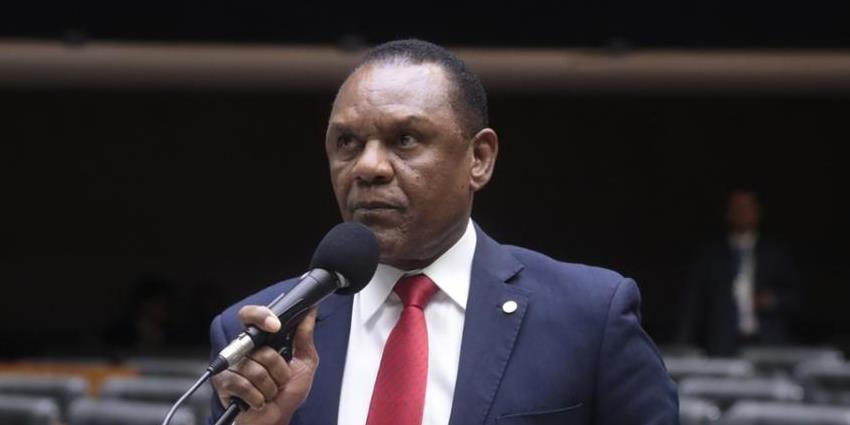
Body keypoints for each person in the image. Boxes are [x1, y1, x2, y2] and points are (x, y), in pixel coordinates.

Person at [208, 39, 678, 425]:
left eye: (405, 140)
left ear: (479, 159)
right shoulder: (263, 336)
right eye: (347, 142)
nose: (368, 167)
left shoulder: (589, 317)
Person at [678, 189, 800, 356]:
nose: (742, 213)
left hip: (767, 345)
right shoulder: (710, 256)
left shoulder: (775, 254)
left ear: (757, 213)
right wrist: (683, 346)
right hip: (721, 347)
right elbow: (692, 305)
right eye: (737, 208)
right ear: (728, 213)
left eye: (747, 208)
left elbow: (796, 297)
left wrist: (770, 300)